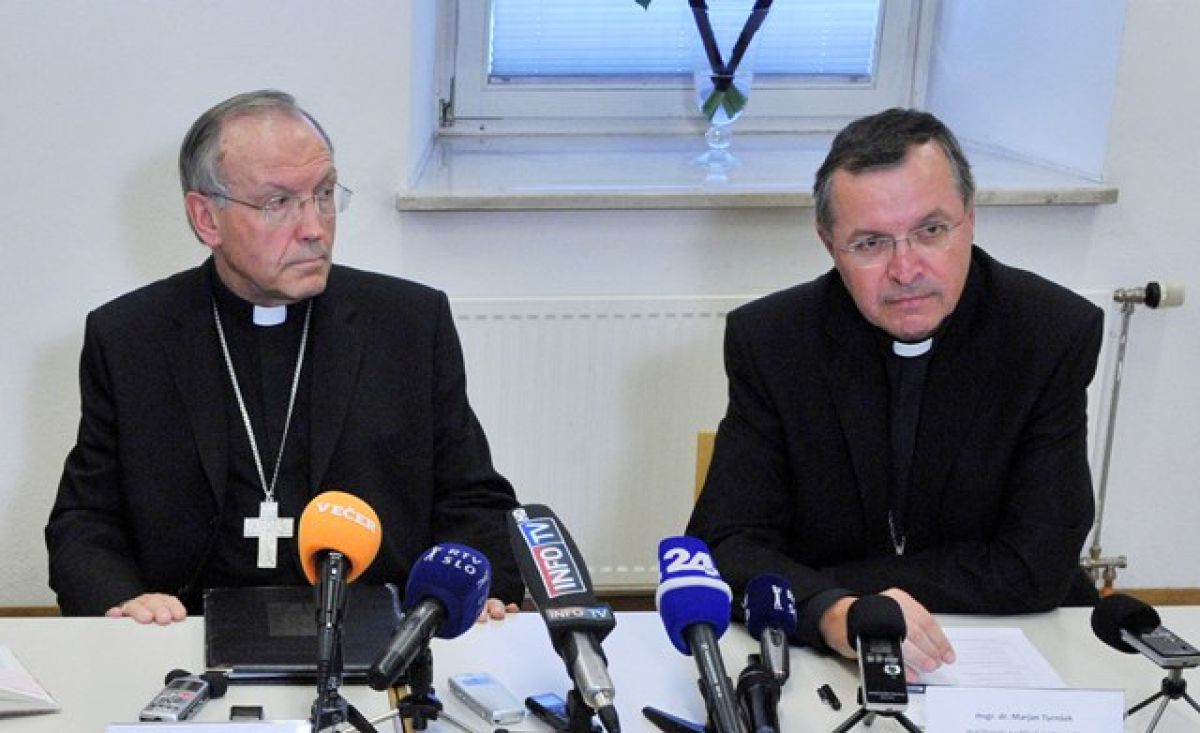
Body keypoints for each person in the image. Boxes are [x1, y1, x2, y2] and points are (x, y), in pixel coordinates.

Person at [46, 90, 523, 624]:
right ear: (206, 219)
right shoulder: (130, 336)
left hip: (376, 630)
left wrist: (470, 594)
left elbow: (473, 499)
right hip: (184, 628)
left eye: (324, 194)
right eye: (278, 203)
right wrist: (125, 602)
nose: (314, 227)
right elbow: (85, 520)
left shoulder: (409, 324)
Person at [687, 108, 1102, 676]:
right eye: (870, 243)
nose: (906, 270)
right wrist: (832, 613)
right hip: (828, 651)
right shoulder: (773, 341)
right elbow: (725, 545)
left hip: (1013, 641)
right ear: (829, 244)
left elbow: (1038, 564)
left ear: (970, 219)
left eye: (931, 231)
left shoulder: (1050, 333)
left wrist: (826, 586)